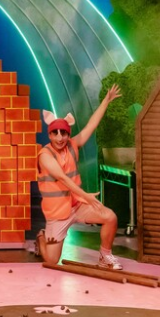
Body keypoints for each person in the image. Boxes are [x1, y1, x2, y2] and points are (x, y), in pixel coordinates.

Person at [36, 84, 124, 270]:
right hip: (58, 214)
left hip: (77, 206)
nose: (59, 138)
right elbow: (64, 180)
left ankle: (105, 256)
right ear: (50, 134)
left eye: (63, 133)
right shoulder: (45, 155)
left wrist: (106, 101)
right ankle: (41, 237)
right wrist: (87, 196)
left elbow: (91, 126)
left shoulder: (72, 146)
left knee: (110, 217)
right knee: (51, 261)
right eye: (55, 133)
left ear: (68, 134)